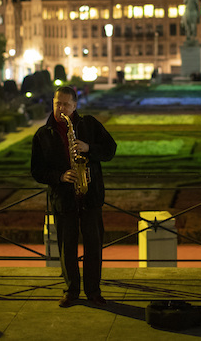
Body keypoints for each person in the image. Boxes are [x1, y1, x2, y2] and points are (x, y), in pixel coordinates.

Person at [31, 86, 117, 308]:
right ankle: (71, 291)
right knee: (66, 247)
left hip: (90, 197)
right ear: (53, 102)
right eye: (58, 103)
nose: (61, 109)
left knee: (94, 247)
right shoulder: (43, 134)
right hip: (64, 199)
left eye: (66, 105)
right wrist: (59, 176)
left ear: (75, 105)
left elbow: (110, 149)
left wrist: (88, 147)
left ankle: (93, 291)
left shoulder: (88, 124)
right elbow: (37, 171)